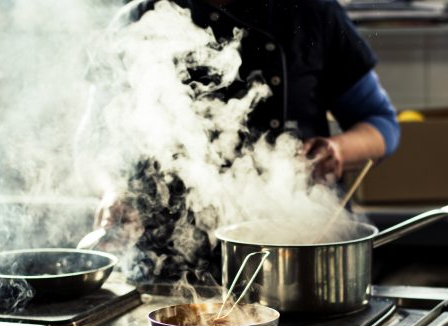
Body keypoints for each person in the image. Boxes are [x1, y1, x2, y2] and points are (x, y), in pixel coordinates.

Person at [92, 0, 400, 284]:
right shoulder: (137, 19)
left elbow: (382, 124)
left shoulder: (311, 10)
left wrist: (339, 150)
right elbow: (93, 143)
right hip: (163, 266)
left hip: (290, 258)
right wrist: (113, 189)